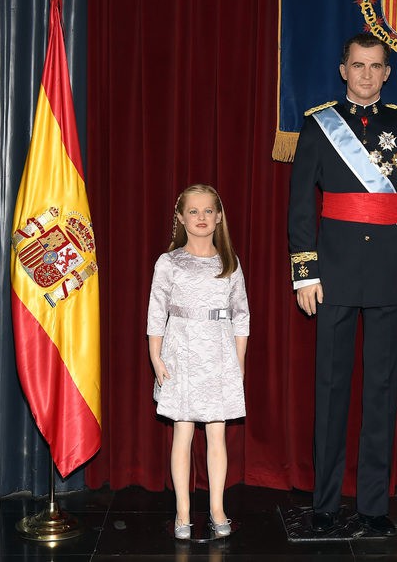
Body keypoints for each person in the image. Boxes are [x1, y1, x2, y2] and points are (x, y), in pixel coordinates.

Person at [288, 33, 397, 536]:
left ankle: (373, 506)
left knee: (380, 390)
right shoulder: (318, 125)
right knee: (330, 390)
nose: (367, 75)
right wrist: (305, 271)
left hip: (391, 274)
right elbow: (302, 205)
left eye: (375, 66)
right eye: (358, 65)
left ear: (387, 72)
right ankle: (325, 504)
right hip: (334, 273)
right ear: (343, 69)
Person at [146, 184, 249, 540]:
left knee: (217, 435)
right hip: (181, 354)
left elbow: (242, 317)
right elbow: (156, 314)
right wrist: (156, 358)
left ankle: (218, 507)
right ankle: (183, 512)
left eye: (208, 211)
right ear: (180, 218)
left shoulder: (230, 264)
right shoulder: (169, 262)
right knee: (183, 432)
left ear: (219, 216)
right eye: (193, 211)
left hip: (219, 355)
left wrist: (238, 364)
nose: (201, 217)